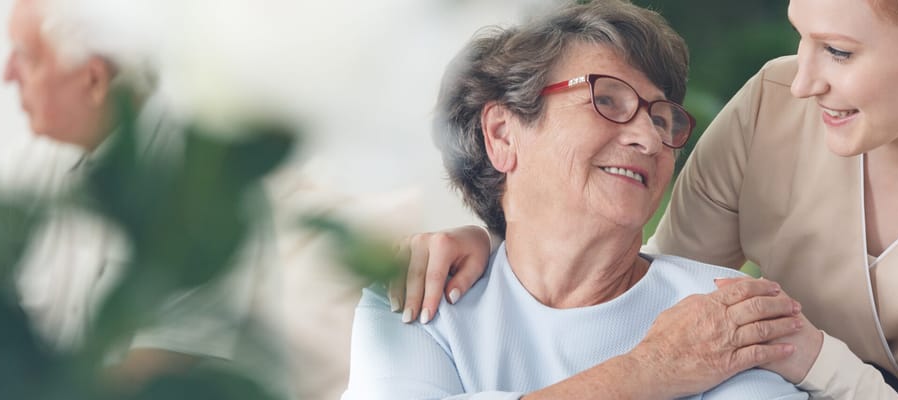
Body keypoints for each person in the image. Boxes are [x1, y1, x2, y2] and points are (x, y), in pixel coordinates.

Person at [395, 0, 898, 398]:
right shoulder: (774, 107)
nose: (804, 75)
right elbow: (654, 304)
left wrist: (814, 360)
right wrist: (505, 238)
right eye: (802, 35)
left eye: (840, 52)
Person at [342, 1, 810, 399]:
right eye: (607, 100)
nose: (649, 138)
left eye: (663, 118)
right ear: (503, 134)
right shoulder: (417, 293)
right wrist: (648, 371)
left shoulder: (724, 314)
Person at [1, 0, 264, 391]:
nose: (7, 75)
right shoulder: (39, 155)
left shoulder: (202, 183)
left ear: (94, 80)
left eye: (26, 57)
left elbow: (158, 375)